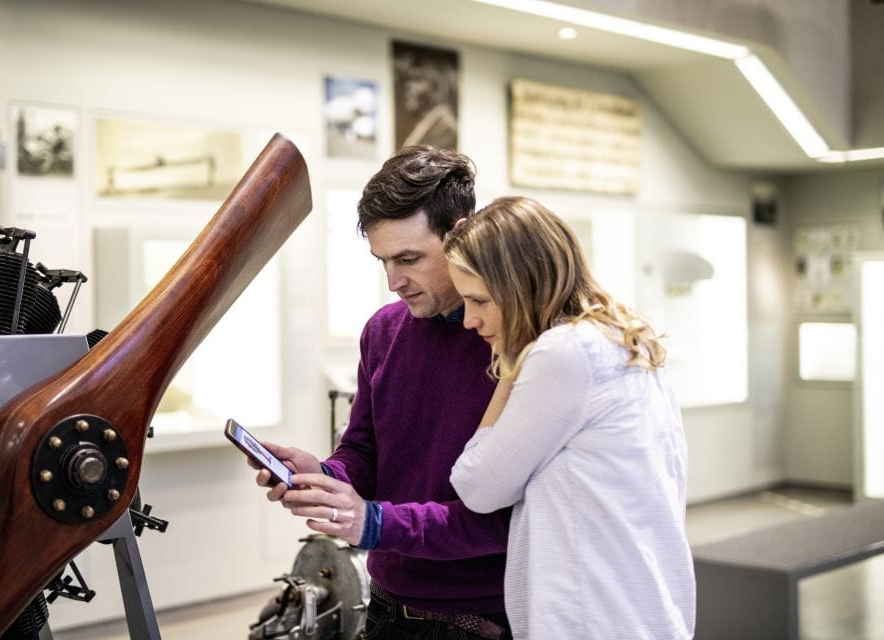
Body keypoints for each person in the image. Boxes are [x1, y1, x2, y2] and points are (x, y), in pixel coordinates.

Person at [252, 146, 512, 640]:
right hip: (387, 605)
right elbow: (365, 450)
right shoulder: (384, 331)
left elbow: (506, 517)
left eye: (409, 259)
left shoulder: (516, 344)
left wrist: (373, 523)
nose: (393, 282)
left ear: (460, 234)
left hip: (481, 617)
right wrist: (324, 475)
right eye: (382, 261)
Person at [446, 196, 695, 640]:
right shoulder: (622, 340)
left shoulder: (564, 352)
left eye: (479, 300)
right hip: (644, 612)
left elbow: (477, 487)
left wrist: (509, 365)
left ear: (520, 285)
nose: (470, 320)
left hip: (595, 620)